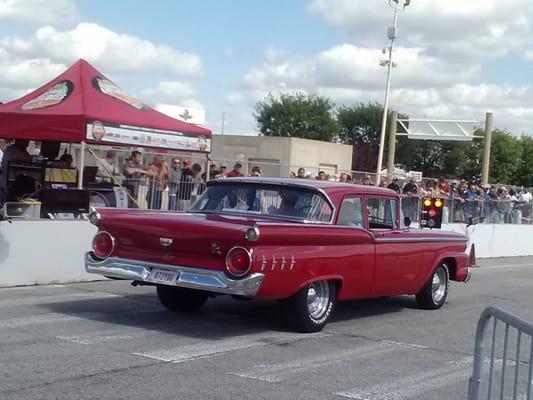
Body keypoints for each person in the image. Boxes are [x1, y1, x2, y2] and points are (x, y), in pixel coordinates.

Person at [0, 139, 32, 206]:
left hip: (5, 183)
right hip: (7, 185)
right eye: (27, 141)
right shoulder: (16, 151)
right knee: (4, 206)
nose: (28, 144)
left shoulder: (12, 149)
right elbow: (29, 159)